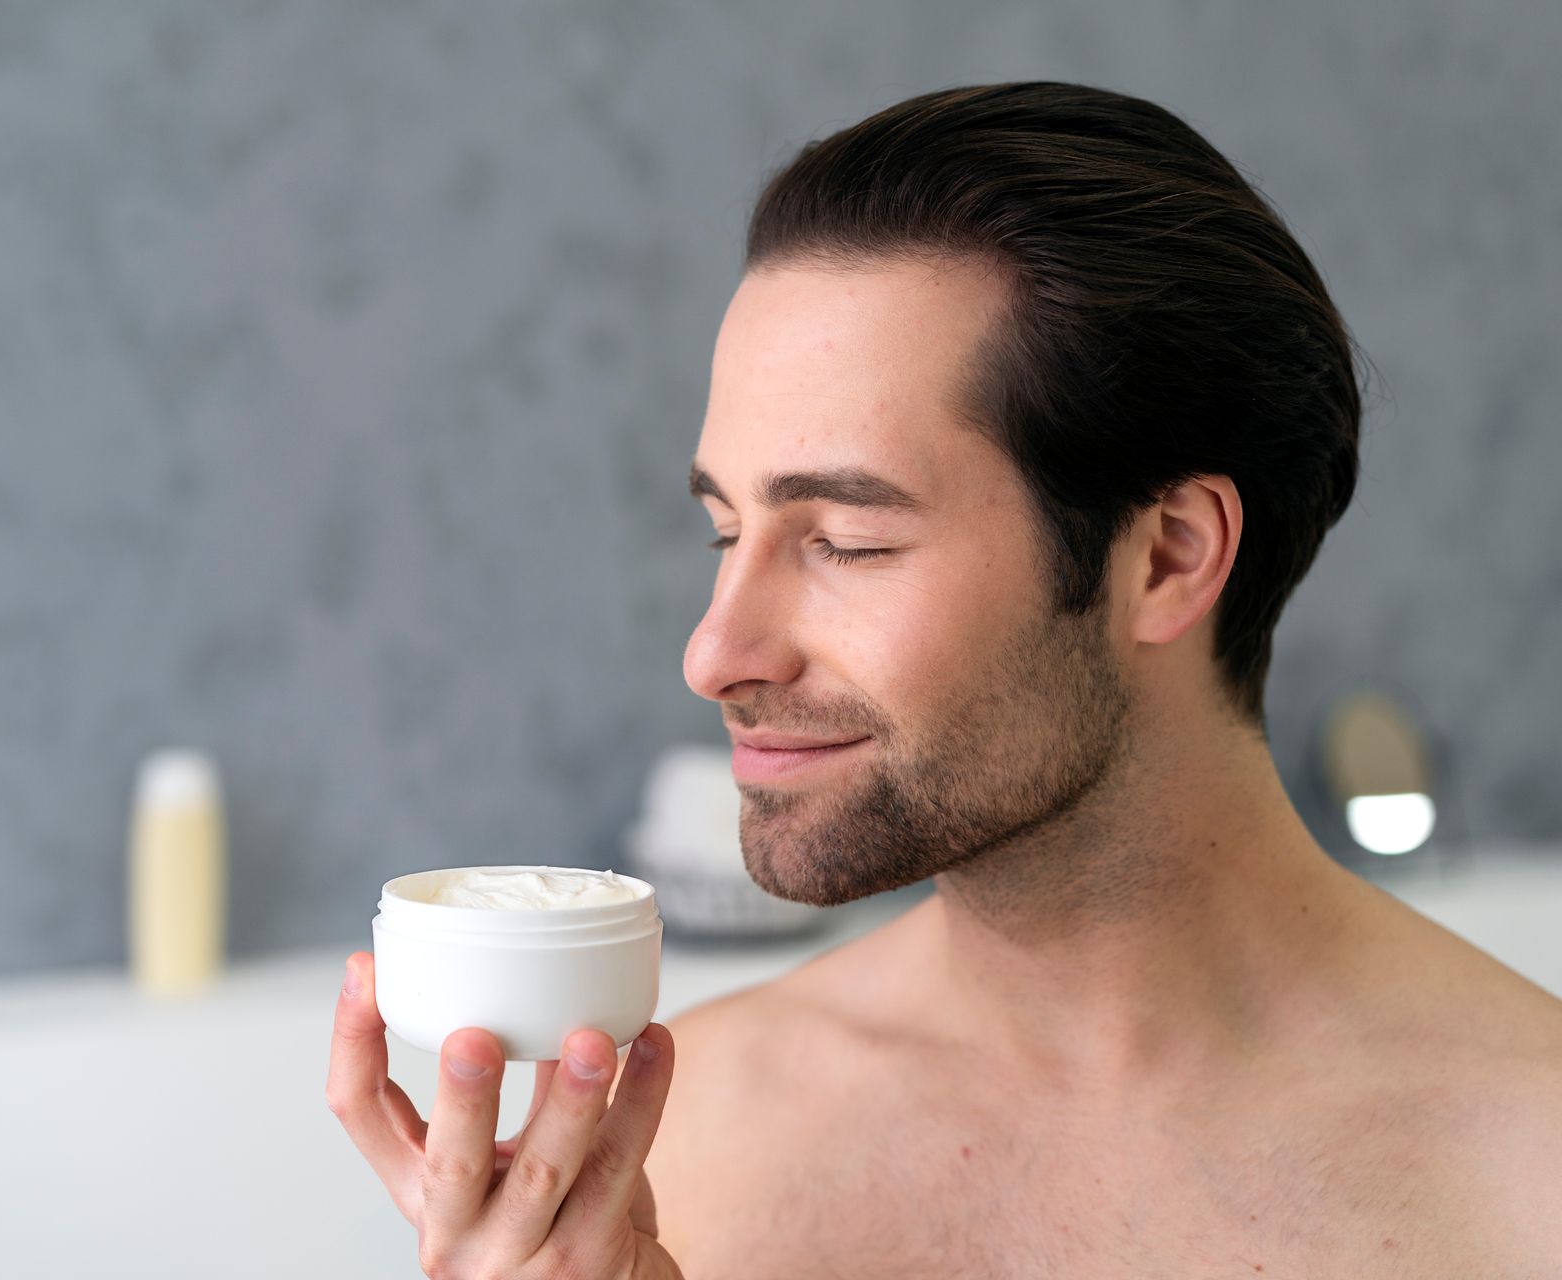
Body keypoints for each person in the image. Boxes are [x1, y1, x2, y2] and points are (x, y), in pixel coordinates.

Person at [328, 80, 1562, 1278]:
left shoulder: (1530, 1170)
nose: (713, 654)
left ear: (1168, 557)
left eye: (847, 542)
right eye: (726, 531)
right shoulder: (665, 1152)